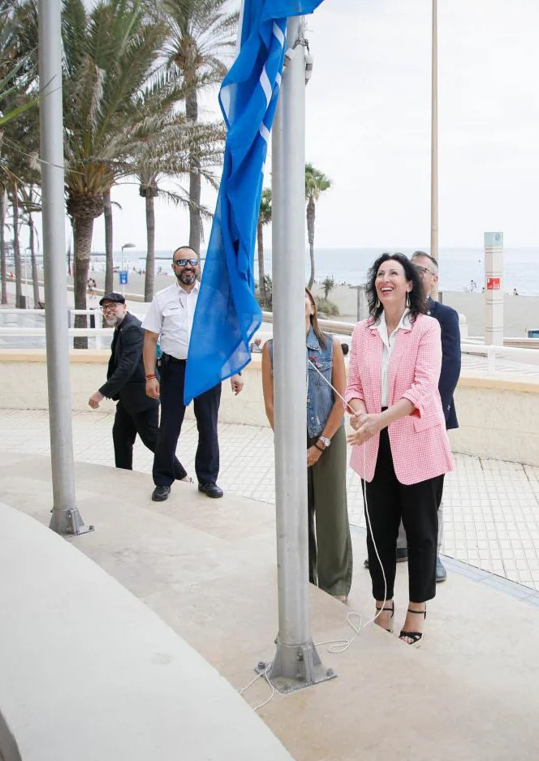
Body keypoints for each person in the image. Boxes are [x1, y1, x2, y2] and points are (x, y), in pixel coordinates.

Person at [344, 252, 454, 645]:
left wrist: (380, 419)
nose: (384, 278)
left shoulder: (427, 328)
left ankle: (417, 608)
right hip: (374, 449)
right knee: (379, 532)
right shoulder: (362, 331)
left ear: (410, 284)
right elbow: (353, 385)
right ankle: (383, 603)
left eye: (394, 273)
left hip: (419, 447)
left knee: (423, 533)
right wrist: (360, 414)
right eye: (379, 273)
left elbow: (425, 386)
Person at [261, 288, 352, 600]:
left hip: (328, 436)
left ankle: (335, 583)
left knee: (331, 511)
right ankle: (302, 577)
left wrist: (321, 443)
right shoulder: (272, 350)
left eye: (303, 295)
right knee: (297, 510)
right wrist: (289, 445)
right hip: (292, 442)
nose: (296, 299)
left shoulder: (330, 347)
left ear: (312, 307)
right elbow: (271, 404)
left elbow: (341, 400)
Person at [142, 246, 242, 502]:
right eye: (181, 262)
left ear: (198, 266)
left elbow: (225, 335)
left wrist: (235, 371)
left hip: (207, 369)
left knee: (208, 426)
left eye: (192, 261)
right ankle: (163, 480)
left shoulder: (212, 297)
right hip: (174, 369)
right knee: (169, 427)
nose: (187, 266)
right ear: (174, 267)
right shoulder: (162, 299)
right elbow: (151, 339)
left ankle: (208, 480)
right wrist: (150, 377)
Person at [393, 250, 462, 583]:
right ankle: (401, 545)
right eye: (412, 268)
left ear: (434, 278)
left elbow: (449, 369)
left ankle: (432, 554)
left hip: (429, 417)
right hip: (394, 416)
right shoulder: (396, 315)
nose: (415, 274)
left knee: (430, 492)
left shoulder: (445, 316)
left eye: (422, 269)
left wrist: (428, 410)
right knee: (398, 483)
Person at [88, 292, 175, 474]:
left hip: (143, 397)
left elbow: (127, 366)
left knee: (152, 439)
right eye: (105, 307)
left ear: (124, 307)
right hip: (129, 398)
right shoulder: (121, 327)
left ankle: (181, 476)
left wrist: (101, 392)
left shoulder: (133, 328)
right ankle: (123, 474)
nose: (109, 310)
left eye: (113, 306)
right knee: (121, 437)